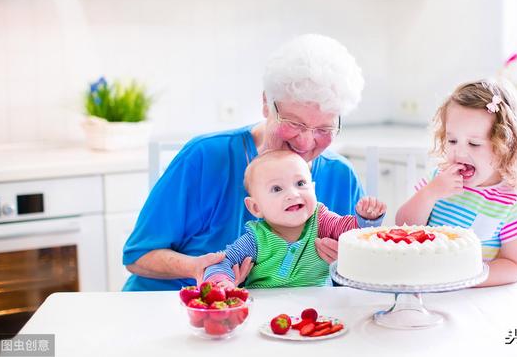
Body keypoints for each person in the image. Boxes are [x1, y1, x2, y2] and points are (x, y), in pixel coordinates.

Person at [123, 34, 368, 291]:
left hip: (281, 322)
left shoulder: (340, 175)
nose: (307, 143)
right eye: (294, 123)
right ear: (266, 104)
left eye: (324, 128)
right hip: (177, 307)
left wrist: (350, 264)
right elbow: (138, 256)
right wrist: (197, 268)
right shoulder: (205, 157)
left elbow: (364, 270)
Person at [396, 78, 517, 287]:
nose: (460, 152)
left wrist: (467, 277)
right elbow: (404, 225)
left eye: (474, 143)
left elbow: (514, 264)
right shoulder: (437, 180)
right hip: (427, 289)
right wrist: (430, 193)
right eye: (452, 140)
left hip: (471, 298)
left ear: (505, 147)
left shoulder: (510, 203)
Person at [203, 150, 385, 288]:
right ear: (256, 207)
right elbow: (223, 262)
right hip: (265, 313)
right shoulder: (255, 239)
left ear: (313, 189)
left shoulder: (321, 220)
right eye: (276, 189)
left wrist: (367, 218)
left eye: (300, 183)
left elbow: (351, 232)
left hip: (317, 312)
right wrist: (221, 282)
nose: (293, 193)